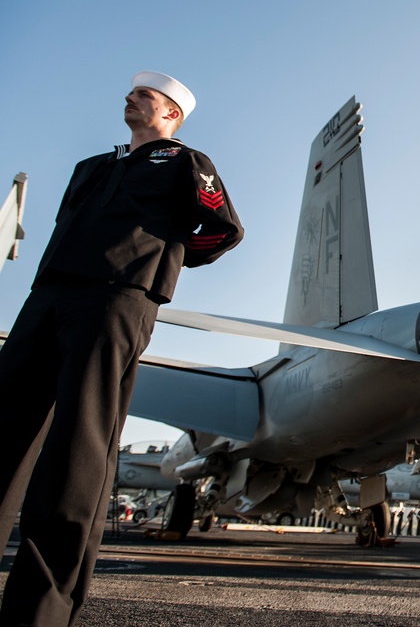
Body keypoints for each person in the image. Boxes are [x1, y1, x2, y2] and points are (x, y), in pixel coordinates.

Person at [0, 70, 243, 625]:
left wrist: (154, 260)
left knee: (78, 442)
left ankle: (40, 608)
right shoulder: (94, 167)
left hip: (116, 300)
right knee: (6, 422)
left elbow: (219, 229)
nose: (130, 97)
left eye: (144, 95)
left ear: (171, 113)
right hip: (49, 296)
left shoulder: (186, 162)